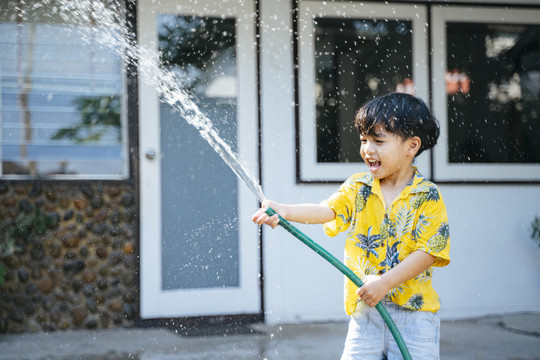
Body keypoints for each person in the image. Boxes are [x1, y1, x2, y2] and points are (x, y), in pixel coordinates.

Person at [252, 92, 450, 360]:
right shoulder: (359, 187)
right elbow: (327, 211)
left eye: (378, 141)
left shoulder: (427, 196)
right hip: (366, 315)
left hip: (413, 319)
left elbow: (428, 252)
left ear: (411, 146)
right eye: (364, 140)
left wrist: (384, 282)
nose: (368, 149)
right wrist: (285, 210)